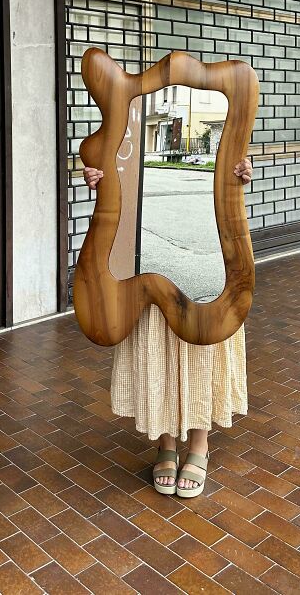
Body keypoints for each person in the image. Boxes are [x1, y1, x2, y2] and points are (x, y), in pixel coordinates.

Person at [83, 157, 252, 497]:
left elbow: (235, 167)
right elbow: (116, 168)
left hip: (209, 265)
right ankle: (166, 443)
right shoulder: (127, 115)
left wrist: (240, 178)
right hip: (141, 269)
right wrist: (98, 178)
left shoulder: (225, 114)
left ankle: (200, 445)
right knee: (154, 354)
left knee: (204, 353)